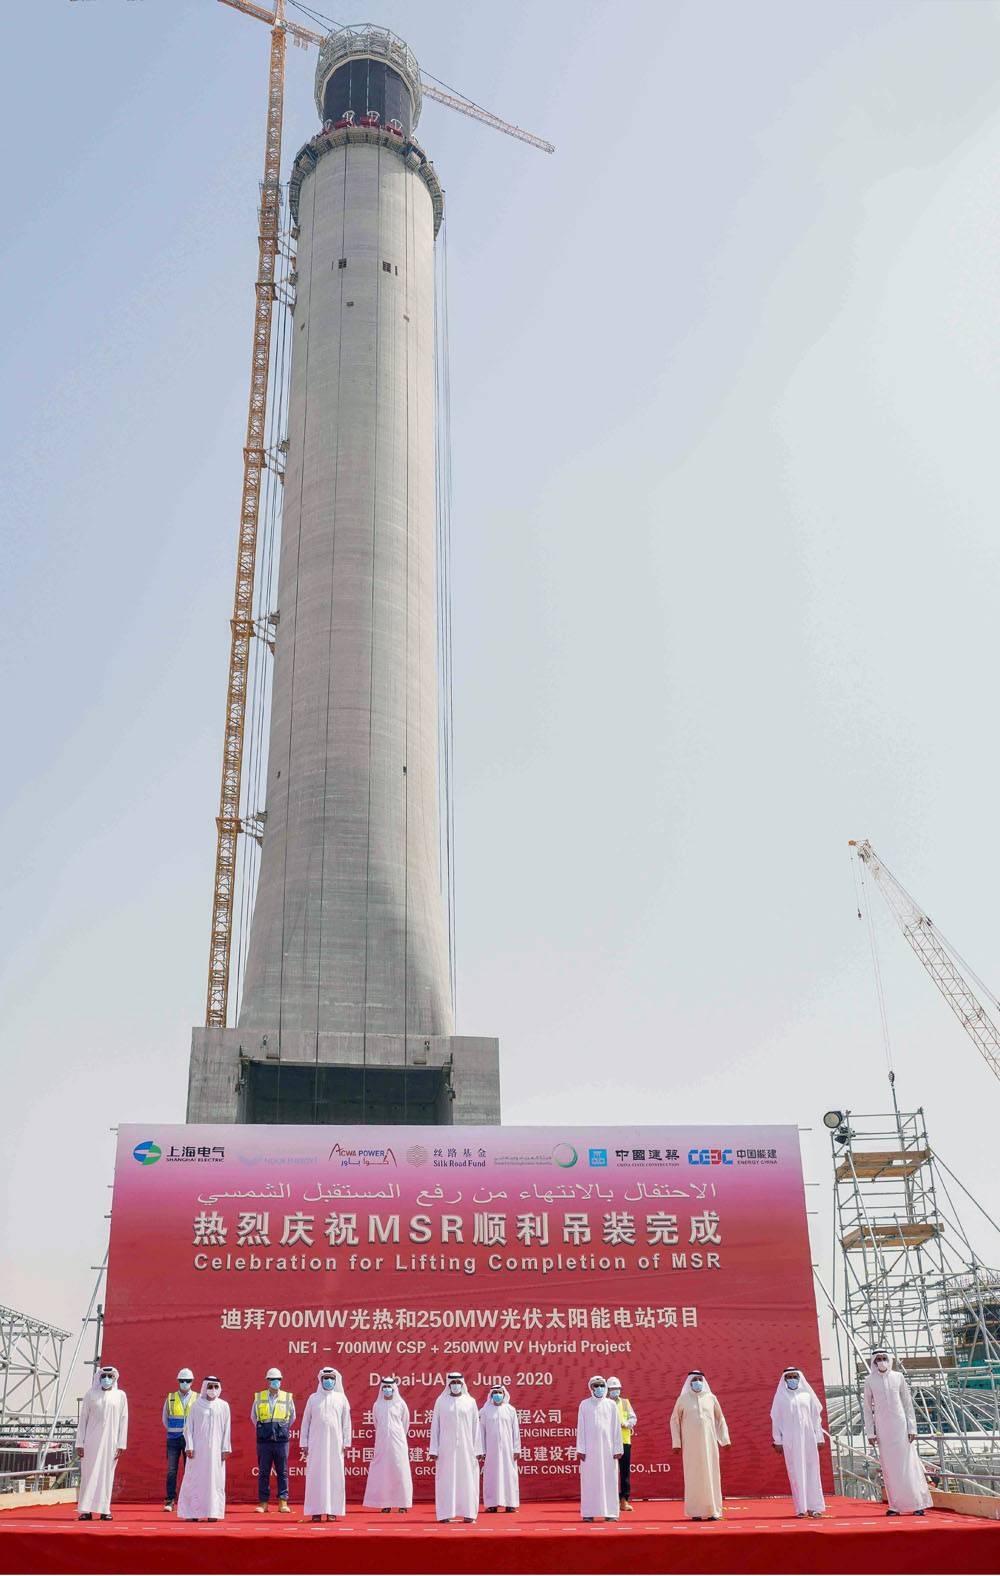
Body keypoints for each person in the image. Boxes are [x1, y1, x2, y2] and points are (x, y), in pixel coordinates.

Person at [862, 1351, 932, 1517]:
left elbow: (907, 1403)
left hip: (901, 1426)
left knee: (908, 1465)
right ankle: (895, 1506)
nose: (881, 1362)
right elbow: (866, 1408)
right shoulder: (869, 1380)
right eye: (878, 1360)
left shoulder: (898, 1376)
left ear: (889, 1360)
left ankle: (917, 1504)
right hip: (883, 1428)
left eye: (884, 1359)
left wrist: (912, 1428)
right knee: (889, 1467)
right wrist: (870, 1433)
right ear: (873, 1362)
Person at [670, 1370, 730, 1520]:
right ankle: (695, 1512)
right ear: (689, 1383)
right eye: (694, 1380)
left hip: (710, 1445)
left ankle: (713, 1511)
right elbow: (674, 1421)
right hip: (691, 1446)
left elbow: (720, 1419)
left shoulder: (711, 1398)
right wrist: (676, 1443)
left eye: (699, 1379)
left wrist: (725, 1440)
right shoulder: (683, 1399)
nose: (697, 1382)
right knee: (693, 1476)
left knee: (711, 1474)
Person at [770, 1366, 825, 1517]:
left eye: (795, 1376)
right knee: (796, 1472)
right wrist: (777, 1440)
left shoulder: (807, 1395)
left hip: (809, 1439)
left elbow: (816, 1418)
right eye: (789, 1377)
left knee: (812, 1470)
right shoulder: (781, 1397)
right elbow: (776, 1419)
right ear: (785, 1379)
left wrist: (819, 1437)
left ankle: (816, 1507)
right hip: (790, 1440)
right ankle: (801, 1508)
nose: (792, 1379)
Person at [429, 1372, 484, 1523]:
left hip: (467, 1450)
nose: (455, 1385)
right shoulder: (441, 1401)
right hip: (446, 1449)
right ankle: (445, 1514)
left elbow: (476, 1427)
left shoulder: (470, 1402)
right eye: (452, 1383)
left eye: (458, 1382)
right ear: (448, 1384)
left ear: (462, 1383)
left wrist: (478, 1450)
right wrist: (434, 1449)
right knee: (446, 1480)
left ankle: (469, 1513)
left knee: (468, 1480)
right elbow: (435, 1426)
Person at [75, 1366, 128, 1522]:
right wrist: (80, 1443)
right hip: (91, 1443)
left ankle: (105, 1510)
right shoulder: (91, 1394)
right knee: (88, 1475)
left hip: (111, 1443)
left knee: (106, 1475)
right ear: (99, 1377)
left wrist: (121, 1444)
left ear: (114, 1378)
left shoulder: (120, 1396)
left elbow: (124, 1420)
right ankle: (85, 1510)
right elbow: (83, 1419)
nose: (106, 1378)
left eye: (109, 1376)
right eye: (103, 1375)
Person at [300, 1366, 352, 1521]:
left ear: (335, 1381)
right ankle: (316, 1511)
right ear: (320, 1379)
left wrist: (347, 1443)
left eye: (331, 1378)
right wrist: (304, 1443)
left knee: (334, 1476)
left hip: (336, 1445)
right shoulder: (313, 1398)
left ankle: (332, 1511)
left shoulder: (341, 1398)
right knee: (316, 1476)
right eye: (325, 1378)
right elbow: (305, 1422)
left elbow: (346, 1423)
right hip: (316, 1446)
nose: (328, 1381)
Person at [178, 1376, 231, 1522]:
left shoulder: (224, 1406)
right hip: (197, 1451)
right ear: (204, 1387)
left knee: (215, 1481)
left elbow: (227, 1429)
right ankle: (192, 1513)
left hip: (216, 1452)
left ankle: (213, 1512)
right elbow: (188, 1428)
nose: (212, 1390)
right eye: (210, 1386)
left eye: (215, 1387)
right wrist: (189, 1446)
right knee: (195, 1480)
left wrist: (225, 1448)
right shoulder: (196, 1405)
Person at [575, 1375, 623, 1522]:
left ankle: (611, 1513)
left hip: (608, 1451)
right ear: (591, 1387)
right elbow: (581, 1427)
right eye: (596, 1386)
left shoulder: (611, 1405)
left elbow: (616, 1428)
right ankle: (589, 1512)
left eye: (602, 1385)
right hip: (589, 1452)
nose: (599, 1388)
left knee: (610, 1480)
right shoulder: (584, 1404)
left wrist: (617, 1448)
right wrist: (581, 1448)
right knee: (589, 1480)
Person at [363, 1376, 413, 1513]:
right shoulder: (377, 1405)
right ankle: (385, 1503)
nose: (387, 1389)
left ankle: (403, 1503)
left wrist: (397, 1436)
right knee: (383, 1473)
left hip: (398, 1444)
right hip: (382, 1444)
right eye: (384, 1387)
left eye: (389, 1387)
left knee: (400, 1471)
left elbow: (405, 1424)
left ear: (394, 1389)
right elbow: (376, 1423)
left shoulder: (401, 1404)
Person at [252, 1365, 296, 1514]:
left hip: (281, 1441)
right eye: (272, 1379)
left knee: (282, 1472)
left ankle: (283, 1502)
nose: (275, 1382)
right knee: (264, 1472)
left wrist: (280, 1428)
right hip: (264, 1441)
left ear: (281, 1381)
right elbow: (254, 1417)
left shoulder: (287, 1397)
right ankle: (263, 1503)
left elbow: (292, 1417)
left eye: (277, 1379)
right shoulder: (259, 1397)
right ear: (267, 1381)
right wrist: (265, 1429)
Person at [480, 1384, 521, 1513]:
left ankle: (511, 1504)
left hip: (508, 1450)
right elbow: (481, 1433)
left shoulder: (510, 1410)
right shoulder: (485, 1411)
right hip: (491, 1451)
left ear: (504, 1394)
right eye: (495, 1392)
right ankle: (492, 1504)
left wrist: (516, 1449)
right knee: (492, 1476)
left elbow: (516, 1431)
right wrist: (482, 1450)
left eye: (500, 1392)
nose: (497, 1395)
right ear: (491, 1395)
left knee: (509, 1476)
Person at [162, 1367, 196, 1512]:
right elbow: (165, 1418)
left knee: (191, 1471)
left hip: (190, 1441)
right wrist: (173, 1430)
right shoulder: (170, 1398)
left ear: (192, 1381)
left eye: (187, 1381)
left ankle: (190, 1499)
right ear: (178, 1381)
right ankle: (170, 1500)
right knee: (171, 1470)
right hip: (173, 1439)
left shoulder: (197, 1397)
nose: (184, 1383)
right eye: (182, 1380)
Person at [607, 1376, 637, 1513]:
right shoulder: (604, 1403)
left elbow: (633, 1418)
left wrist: (626, 1424)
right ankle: (608, 1501)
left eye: (617, 1388)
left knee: (624, 1473)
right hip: (608, 1442)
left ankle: (624, 1501)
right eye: (612, 1389)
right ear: (608, 1390)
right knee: (608, 1472)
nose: (615, 1391)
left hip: (624, 1441)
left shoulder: (625, 1402)